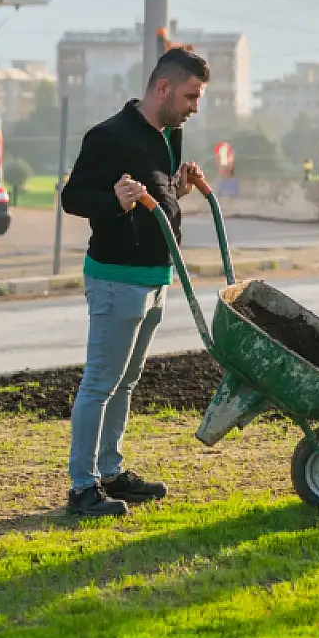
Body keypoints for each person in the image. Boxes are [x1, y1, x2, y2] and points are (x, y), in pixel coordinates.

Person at [59, 48, 211, 518]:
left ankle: (110, 471)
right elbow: (73, 197)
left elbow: (157, 189)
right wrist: (113, 200)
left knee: (126, 382)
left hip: (155, 276)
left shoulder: (172, 134)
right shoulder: (108, 136)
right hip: (116, 277)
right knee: (100, 383)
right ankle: (82, 487)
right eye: (190, 96)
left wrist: (178, 188)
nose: (194, 107)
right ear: (163, 88)